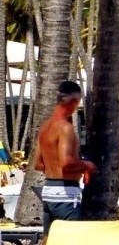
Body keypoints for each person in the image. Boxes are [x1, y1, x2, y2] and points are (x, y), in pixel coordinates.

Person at [31, 80, 92, 227]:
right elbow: (66, 163)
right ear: (75, 101)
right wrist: (87, 165)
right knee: (71, 240)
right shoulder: (65, 128)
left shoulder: (45, 127)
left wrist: (53, 166)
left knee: (49, 239)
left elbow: (38, 165)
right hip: (66, 194)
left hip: (49, 191)